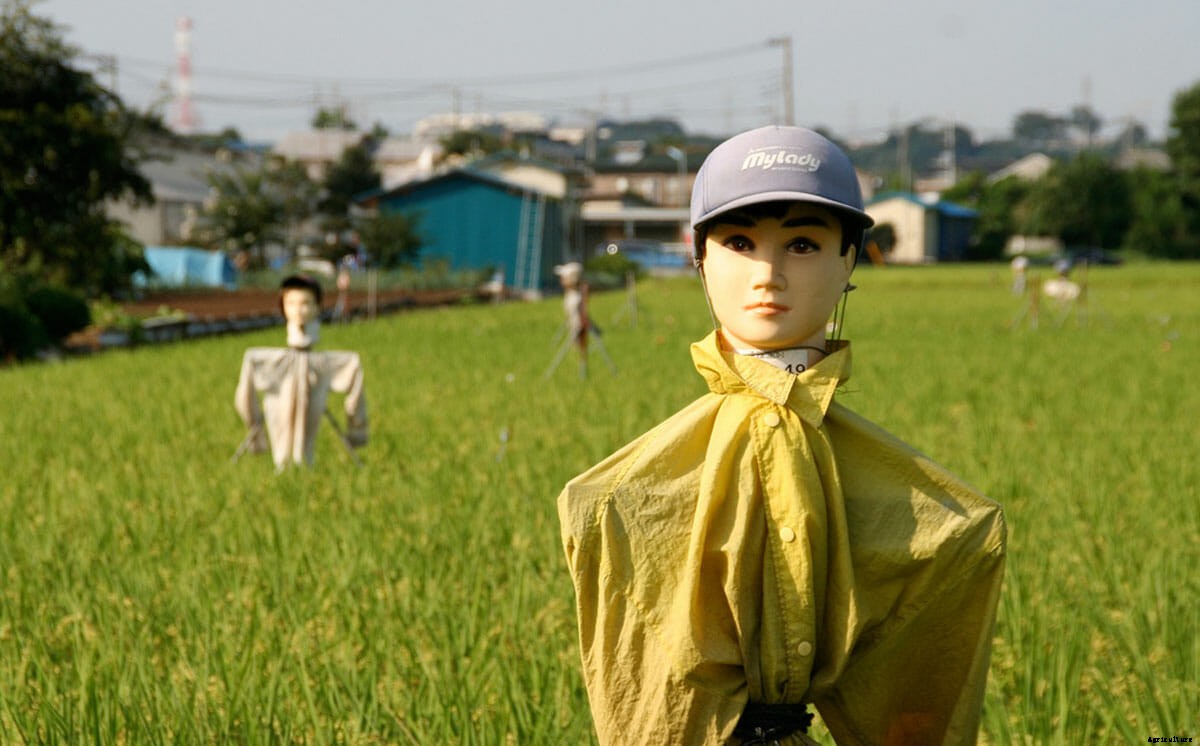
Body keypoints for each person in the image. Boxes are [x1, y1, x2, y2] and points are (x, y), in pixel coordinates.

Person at [557, 126, 1006, 745]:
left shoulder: (946, 516)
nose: (767, 274)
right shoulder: (616, 495)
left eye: (801, 243)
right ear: (701, 259)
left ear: (848, 258)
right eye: (739, 242)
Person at [234, 274, 368, 469]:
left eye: (305, 303)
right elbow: (244, 398)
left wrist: (357, 430)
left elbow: (354, 379)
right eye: (291, 303)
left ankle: (305, 465)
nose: (298, 310)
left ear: (317, 307)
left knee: (306, 444)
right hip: (276, 407)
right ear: (283, 307)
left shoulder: (330, 363)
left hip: (313, 395)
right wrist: (255, 431)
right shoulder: (259, 360)